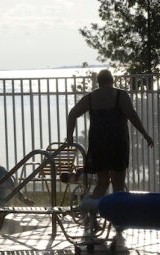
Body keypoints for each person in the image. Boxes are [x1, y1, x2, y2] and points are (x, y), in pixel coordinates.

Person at [65, 69, 154, 201]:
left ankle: (93, 212)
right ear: (112, 80)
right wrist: (145, 134)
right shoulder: (120, 95)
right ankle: (118, 213)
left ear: (98, 82)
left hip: (98, 144)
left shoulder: (91, 97)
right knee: (118, 184)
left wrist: (70, 136)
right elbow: (132, 115)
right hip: (117, 143)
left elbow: (72, 114)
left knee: (102, 183)